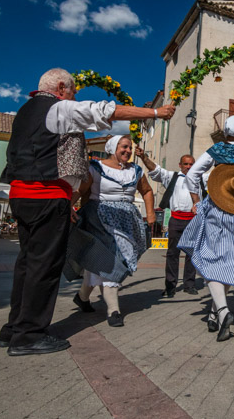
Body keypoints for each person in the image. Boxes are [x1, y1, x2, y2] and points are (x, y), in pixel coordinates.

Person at [0, 67, 174, 356]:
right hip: (46, 195)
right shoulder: (58, 109)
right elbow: (105, 111)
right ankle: (28, 335)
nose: (75, 95)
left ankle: (13, 329)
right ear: (60, 87)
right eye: (72, 90)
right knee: (44, 267)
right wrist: (156, 114)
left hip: (21, 194)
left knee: (27, 264)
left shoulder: (26, 111)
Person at [178, 116, 234, 342]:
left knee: (211, 259)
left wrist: (197, 199)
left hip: (219, 208)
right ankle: (214, 314)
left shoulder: (216, 149)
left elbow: (192, 175)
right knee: (228, 262)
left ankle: (222, 311)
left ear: (225, 131)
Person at [71, 135, 155, 327]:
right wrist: (68, 205)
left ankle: (82, 297)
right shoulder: (96, 168)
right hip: (99, 217)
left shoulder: (135, 170)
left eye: (130, 148)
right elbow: (80, 190)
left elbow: (147, 191)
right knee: (111, 259)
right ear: (112, 148)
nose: (128, 151)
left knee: (100, 261)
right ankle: (113, 310)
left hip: (127, 219)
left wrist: (150, 213)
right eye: (124, 147)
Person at [136, 149, 199, 298]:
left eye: (191, 164)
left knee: (192, 254)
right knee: (172, 254)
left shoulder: (200, 178)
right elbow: (155, 169)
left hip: (193, 220)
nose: (189, 167)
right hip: (176, 219)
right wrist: (143, 157)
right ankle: (170, 286)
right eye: (186, 164)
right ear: (180, 165)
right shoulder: (172, 177)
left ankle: (189, 285)